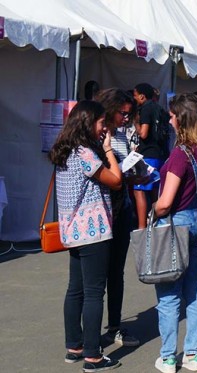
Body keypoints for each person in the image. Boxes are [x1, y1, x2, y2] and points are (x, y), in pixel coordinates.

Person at [49, 101, 123, 372]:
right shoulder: (85, 154)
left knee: (75, 289)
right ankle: (93, 355)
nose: (104, 128)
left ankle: (75, 346)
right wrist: (108, 150)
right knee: (93, 293)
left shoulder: (64, 150)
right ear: (87, 122)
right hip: (93, 230)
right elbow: (115, 180)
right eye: (101, 123)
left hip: (72, 229)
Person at [152, 93, 197, 373]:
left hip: (176, 222)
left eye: (172, 115)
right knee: (194, 291)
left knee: (168, 294)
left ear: (182, 118)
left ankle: (168, 357)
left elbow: (166, 202)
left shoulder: (181, 153)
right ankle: (193, 354)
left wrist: (153, 207)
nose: (169, 119)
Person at [94, 88, 142, 348]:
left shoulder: (122, 136)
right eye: (122, 113)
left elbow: (121, 175)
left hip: (121, 209)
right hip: (99, 212)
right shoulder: (95, 137)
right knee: (94, 280)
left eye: (129, 114)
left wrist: (137, 174)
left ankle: (114, 326)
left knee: (116, 272)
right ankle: (91, 333)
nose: (126, 118)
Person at [133, 83, 167, 229]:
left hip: (148, 154)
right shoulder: (158, 108)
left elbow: (144, 133)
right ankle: (156, 223)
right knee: (154, 190)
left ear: (142, 95)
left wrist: (135, 121)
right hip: (159, 153)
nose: (134, 99)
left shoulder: (145, 108)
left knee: (139, 190)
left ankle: (141, 227)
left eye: (135, 95)